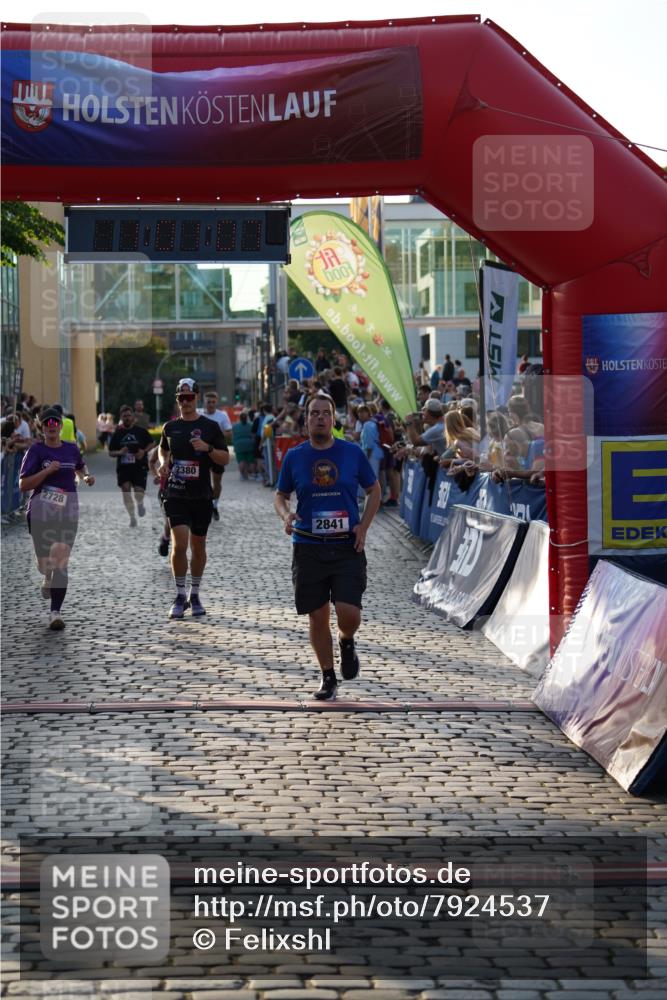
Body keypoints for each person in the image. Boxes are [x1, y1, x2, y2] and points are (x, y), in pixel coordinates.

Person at [274, 392, 381, 701]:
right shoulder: (295, 456)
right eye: (313, 413)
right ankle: (327, 676)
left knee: (349, 613)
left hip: (346, 545)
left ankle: (346, 640)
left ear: (334, 420)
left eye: (325, 413)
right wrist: (286, 514)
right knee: (317, 616)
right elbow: (280, 495)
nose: (319, 417)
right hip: (308, 545)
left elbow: (374, 490)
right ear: (306, 420)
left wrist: (364, 525)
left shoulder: (351, 452)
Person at [158, 377, 229, 619]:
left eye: (189, 397)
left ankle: (195, 593)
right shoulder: (170, 427)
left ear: (196, 397)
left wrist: (207, 449)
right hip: (176, 492)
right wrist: (162, 464)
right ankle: (179, 595)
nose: (185, 402)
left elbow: (225, 458)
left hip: (201, 495)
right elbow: (163, 449)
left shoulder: (210, 427)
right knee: (179, 543)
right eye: (181, 398)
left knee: (198, 547)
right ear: (177, 400)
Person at [18, 407, 95, 630]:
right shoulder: (35, 450)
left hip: (67, 510)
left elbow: (80, 467)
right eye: (46, 424)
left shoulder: (71, 448)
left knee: (60, 558)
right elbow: (24, 485)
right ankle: (47, 574)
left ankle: (55, 613)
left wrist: (86, 476)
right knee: (45, 564)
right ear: (41, 427)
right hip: (40, 511)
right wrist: (47, 472)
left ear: (61, 426)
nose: (51, 427)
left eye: (55, 423)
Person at [107, 405, 153, 527]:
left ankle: (140, 504)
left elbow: (152, 443)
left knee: (139, 492)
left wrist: (143, 451)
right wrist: (119, 452)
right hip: (124, 467)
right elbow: (110, 452)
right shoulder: (118, 434)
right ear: (121, 418)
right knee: (126, 490)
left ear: (133, 417)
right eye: (124, 416)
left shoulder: (141, 431)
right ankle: (132, 517)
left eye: (129, 415)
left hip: (139, 466)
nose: (127, 418)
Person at [197, 391, 233, 521]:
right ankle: (203, 504)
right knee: (201, 480)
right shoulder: (198, 414)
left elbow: (229, 433)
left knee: (217, 481)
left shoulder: (222, 415)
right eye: (208, 402)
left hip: (217, 451)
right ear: (204, 402)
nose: (210, 404)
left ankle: (214, 505)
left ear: (216, 402)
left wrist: (216, 436)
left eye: (213, 402)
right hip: (201, 452)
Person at [231, 410, 256, 480]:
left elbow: (232, 436)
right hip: (249, 444)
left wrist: (234, 444)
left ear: (240, 418)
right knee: (251, 461)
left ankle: (242, 475)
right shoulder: (251, 425)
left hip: (239, 445)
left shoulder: (235, 426)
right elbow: (253, 435)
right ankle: (253, 475)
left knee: (241, 461)